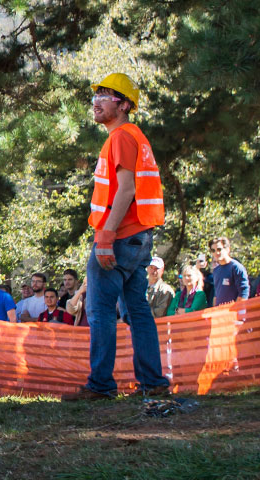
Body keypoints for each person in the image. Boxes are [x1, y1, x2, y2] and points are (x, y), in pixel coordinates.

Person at [63, 73, 172, 401]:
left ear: (124, 105)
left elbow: (126, 190)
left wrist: (107, 236)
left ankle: (100, 386)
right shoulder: (133, 135)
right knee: (137, 310)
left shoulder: (122, 137)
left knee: (100, 311)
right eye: (95, 96)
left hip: (120, 238)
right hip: (138, 238)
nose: (96, 102)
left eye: (106, 96)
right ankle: (153, 382)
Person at [208, 237, 251, 306]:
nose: (217, 253)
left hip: (235, 312)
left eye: (219, 249)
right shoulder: (216, 270)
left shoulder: (236, 267)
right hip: (220, 313)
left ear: (227, 249)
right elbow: (216, 294)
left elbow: (244, 292)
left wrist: (236, 309)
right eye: (213, 250)